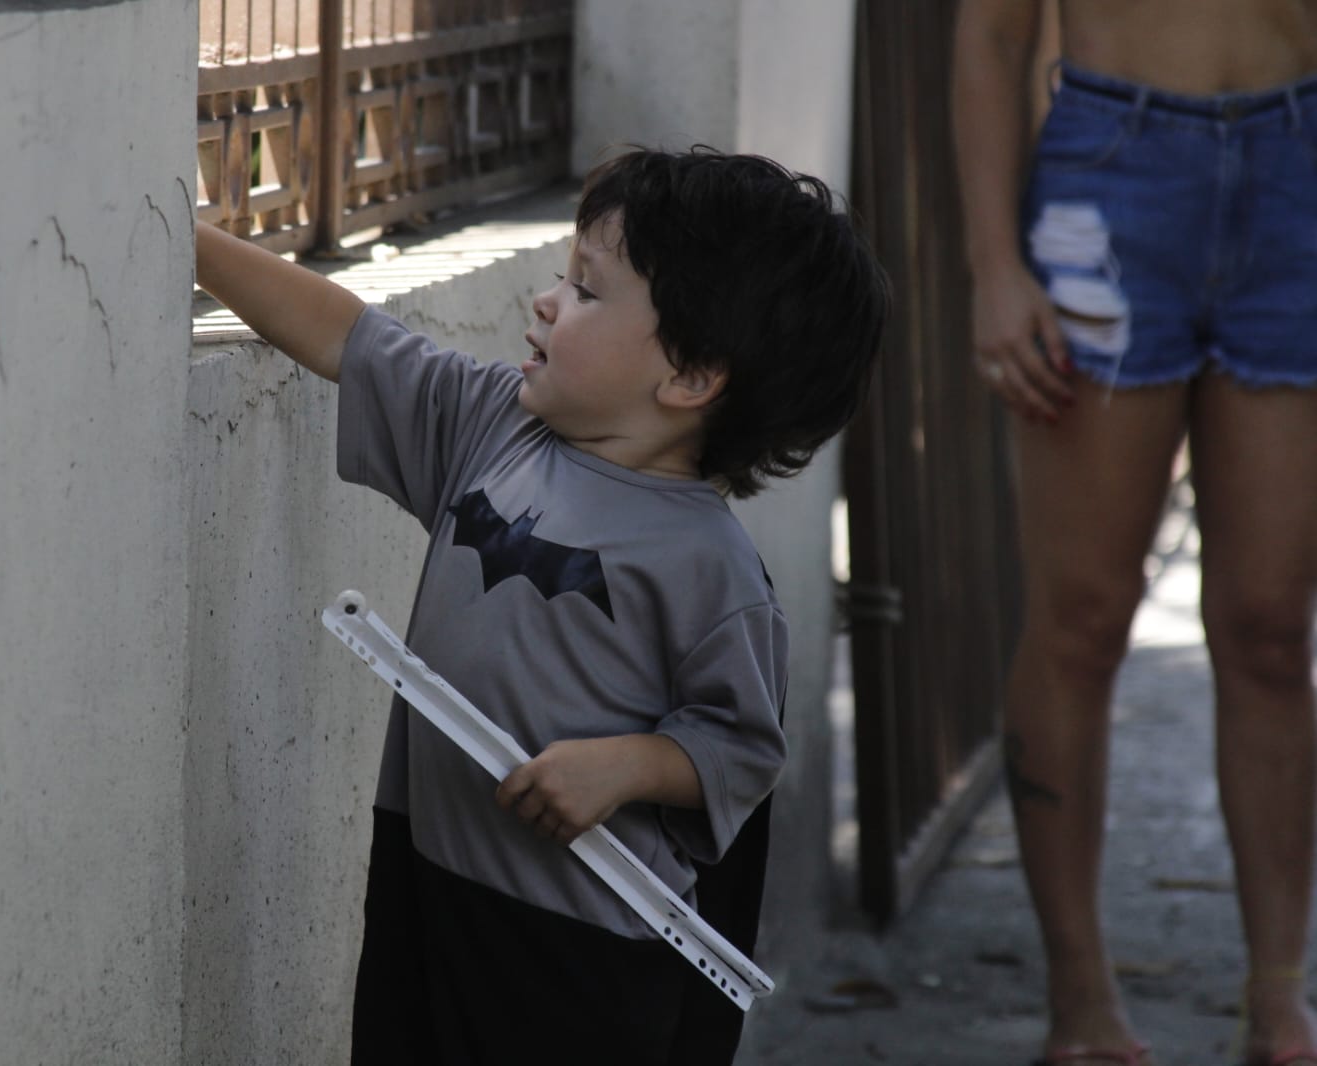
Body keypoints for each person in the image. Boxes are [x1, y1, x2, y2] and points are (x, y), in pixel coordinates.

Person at [194, 146, 889, 1064]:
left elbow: (741, 748)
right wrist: (188, 238)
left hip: (578, 944)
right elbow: (345, 335)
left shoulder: (708, 567)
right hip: (425, 880)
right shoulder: (492, 429)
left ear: (689, 375)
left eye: (588, 291)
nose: (546, 301)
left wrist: (629, 766)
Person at [952, 2, 1317, 1063]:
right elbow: (994, 32)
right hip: (1111, 173)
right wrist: (993, 266)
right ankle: (1081, 999)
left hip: (1300, 167)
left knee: (1268, 625)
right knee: (1082, 616)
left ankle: (1280, 994)